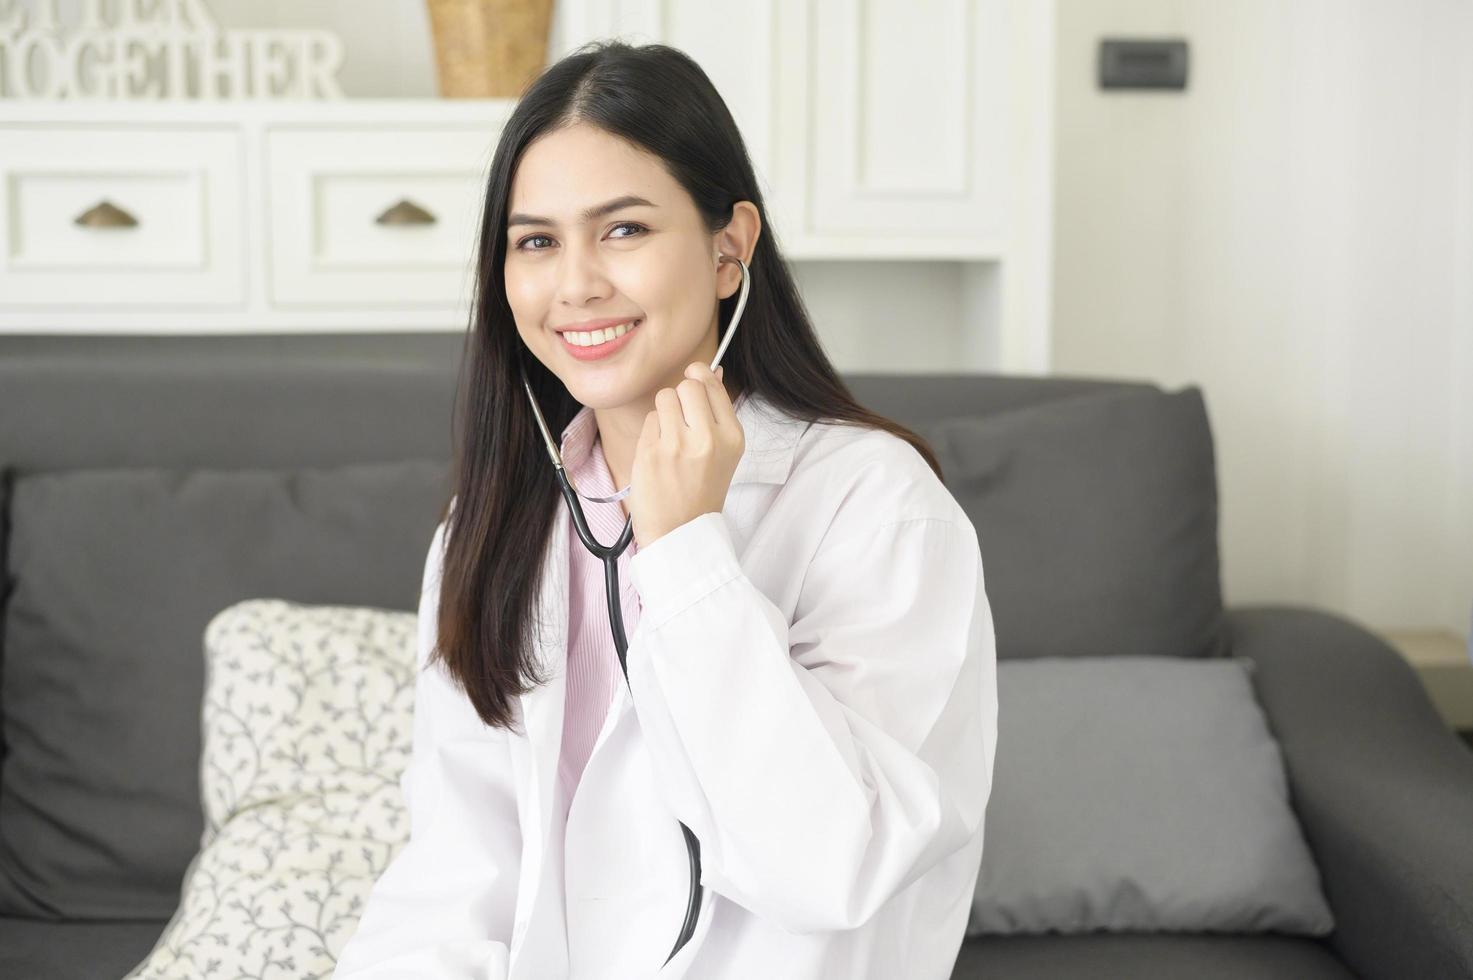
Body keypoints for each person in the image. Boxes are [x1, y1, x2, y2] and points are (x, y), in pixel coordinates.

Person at [333, 38, 997, 980]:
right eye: (536, 242)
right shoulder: (487, 531)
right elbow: (457, 875)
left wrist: (688, 554)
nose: (576, 285)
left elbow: (830, 866)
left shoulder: (878, 507)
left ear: (729, 250)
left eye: (624, 230)